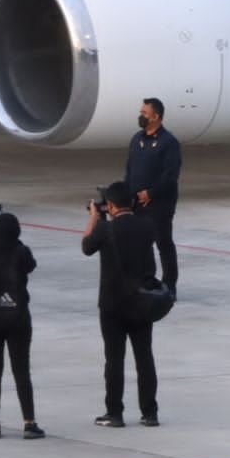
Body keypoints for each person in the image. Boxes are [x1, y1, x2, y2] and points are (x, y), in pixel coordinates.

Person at [81, 181, 160, 428]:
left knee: (114, 359)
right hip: (141, 301)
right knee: (144, 357)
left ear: (111, 205)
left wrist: (95, 217)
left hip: (113, 304)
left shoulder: (106, 229)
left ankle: (114, 412)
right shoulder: (147, 225)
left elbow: (86, 246)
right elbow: (137, 222)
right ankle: (149, 412)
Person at [0, 212, 42, 438]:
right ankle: (29, 421)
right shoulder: (21, 252)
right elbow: (31, 265)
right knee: (21, 370)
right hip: (18, 318)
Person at [124, 97, 182, 292]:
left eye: (145, 114)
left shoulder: (169, 142)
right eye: (141, 113)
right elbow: (130, 170)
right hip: (137, 203)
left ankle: (169, 286)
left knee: (163, 243)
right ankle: (145, 281)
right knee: (140, 245)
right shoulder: (136, 139)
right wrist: (127, 195)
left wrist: (151, 193)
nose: (141, 116)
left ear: (156, 117)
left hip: (159, 204)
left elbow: (170, 176)